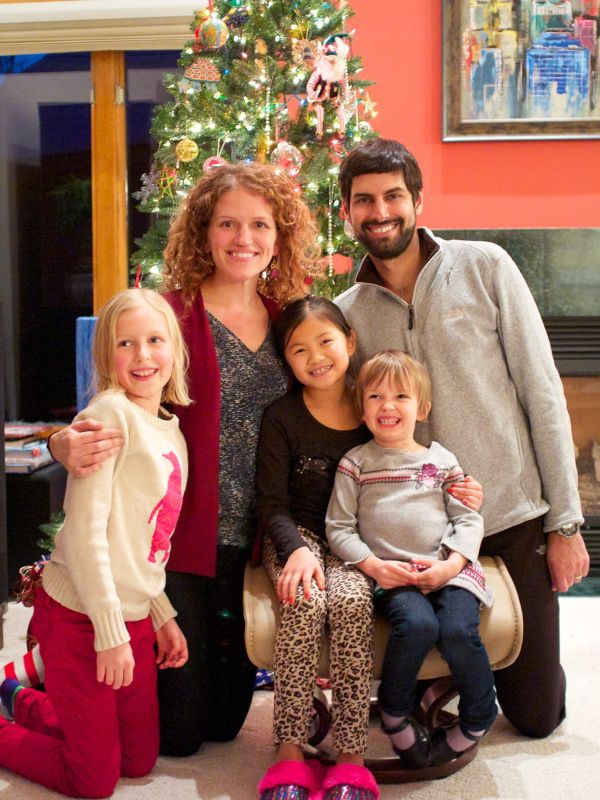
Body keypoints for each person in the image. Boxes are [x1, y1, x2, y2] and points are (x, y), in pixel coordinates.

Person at [47, 162, 321, 758]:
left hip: (255, 541)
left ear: (279, 235)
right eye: (227, 223)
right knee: (178, 735)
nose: (243, 238)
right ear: (203, 232)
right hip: (180, 546)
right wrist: (61, 442)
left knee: (224, 725)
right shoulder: (170, 315)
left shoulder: (289, 320)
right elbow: (113, 398)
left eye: (259, 224)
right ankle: (47, 687)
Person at [334, 137, 590, 738]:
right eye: (364, 200)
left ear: (418, 201)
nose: (380, 212)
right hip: (420, 542)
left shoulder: (485, 265)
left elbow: (543, 394)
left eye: (393, 196)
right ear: (346, 211)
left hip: (511, 515)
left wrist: (565, 525)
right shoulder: (346, 313)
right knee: (420, 667)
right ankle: (445, 677)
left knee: (537, 717)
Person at [255, 299, 483, 800]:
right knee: (304, 601)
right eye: (298, 349)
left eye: (326, 341)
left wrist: (464, 490)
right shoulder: (283, 417)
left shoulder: (375, 409)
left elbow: (421, 470)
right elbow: (271, 504)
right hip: (297, 537)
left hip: (358, 544)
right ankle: (290, 750)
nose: (316, 356)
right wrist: (296, 550)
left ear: (350, 342)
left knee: (353, 602)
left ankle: (351, 757)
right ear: (286, 360)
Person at [0, 288, 190, 797]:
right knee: (93, 780)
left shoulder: (171, 432)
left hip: (133, 617)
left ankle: (21, 698)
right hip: (80, 615)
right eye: (126, 343)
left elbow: (146, 540)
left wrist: (160, 614)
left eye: (155, 340)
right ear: (106, 354)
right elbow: (85, 535)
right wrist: (110, 634)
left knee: (138, 760)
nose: (143, 355)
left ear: (175, 349)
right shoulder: (108, 418)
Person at [326, 350, 497, 772]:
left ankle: (478, 717)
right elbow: (339, 528)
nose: (388, 405)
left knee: (457, 631)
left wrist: (452, 566)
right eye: (376, 396)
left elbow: (467, 519)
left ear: (422, 409)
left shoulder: (441, 461)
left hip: (448, 571)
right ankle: (394, 713)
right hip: (393, 575)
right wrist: (374, 567)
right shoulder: (355, 463)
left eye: (401, 396)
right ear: (361, 409)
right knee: (418, 626)